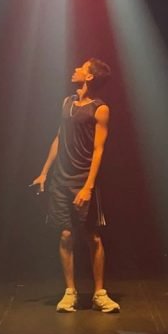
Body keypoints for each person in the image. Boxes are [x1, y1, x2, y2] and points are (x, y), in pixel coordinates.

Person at [31, 59, 120, 313]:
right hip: (61, 179)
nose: (75, 70)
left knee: (92, 236)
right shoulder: (67, 103)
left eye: (82, 67)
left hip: (84, 179)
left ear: (90, 77)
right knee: (66, 234)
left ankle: (99, 294)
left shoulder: (100, 108)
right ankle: (70, 292)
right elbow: (59, 137)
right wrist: (44, 172)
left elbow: (98, 149)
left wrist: (89, 186)